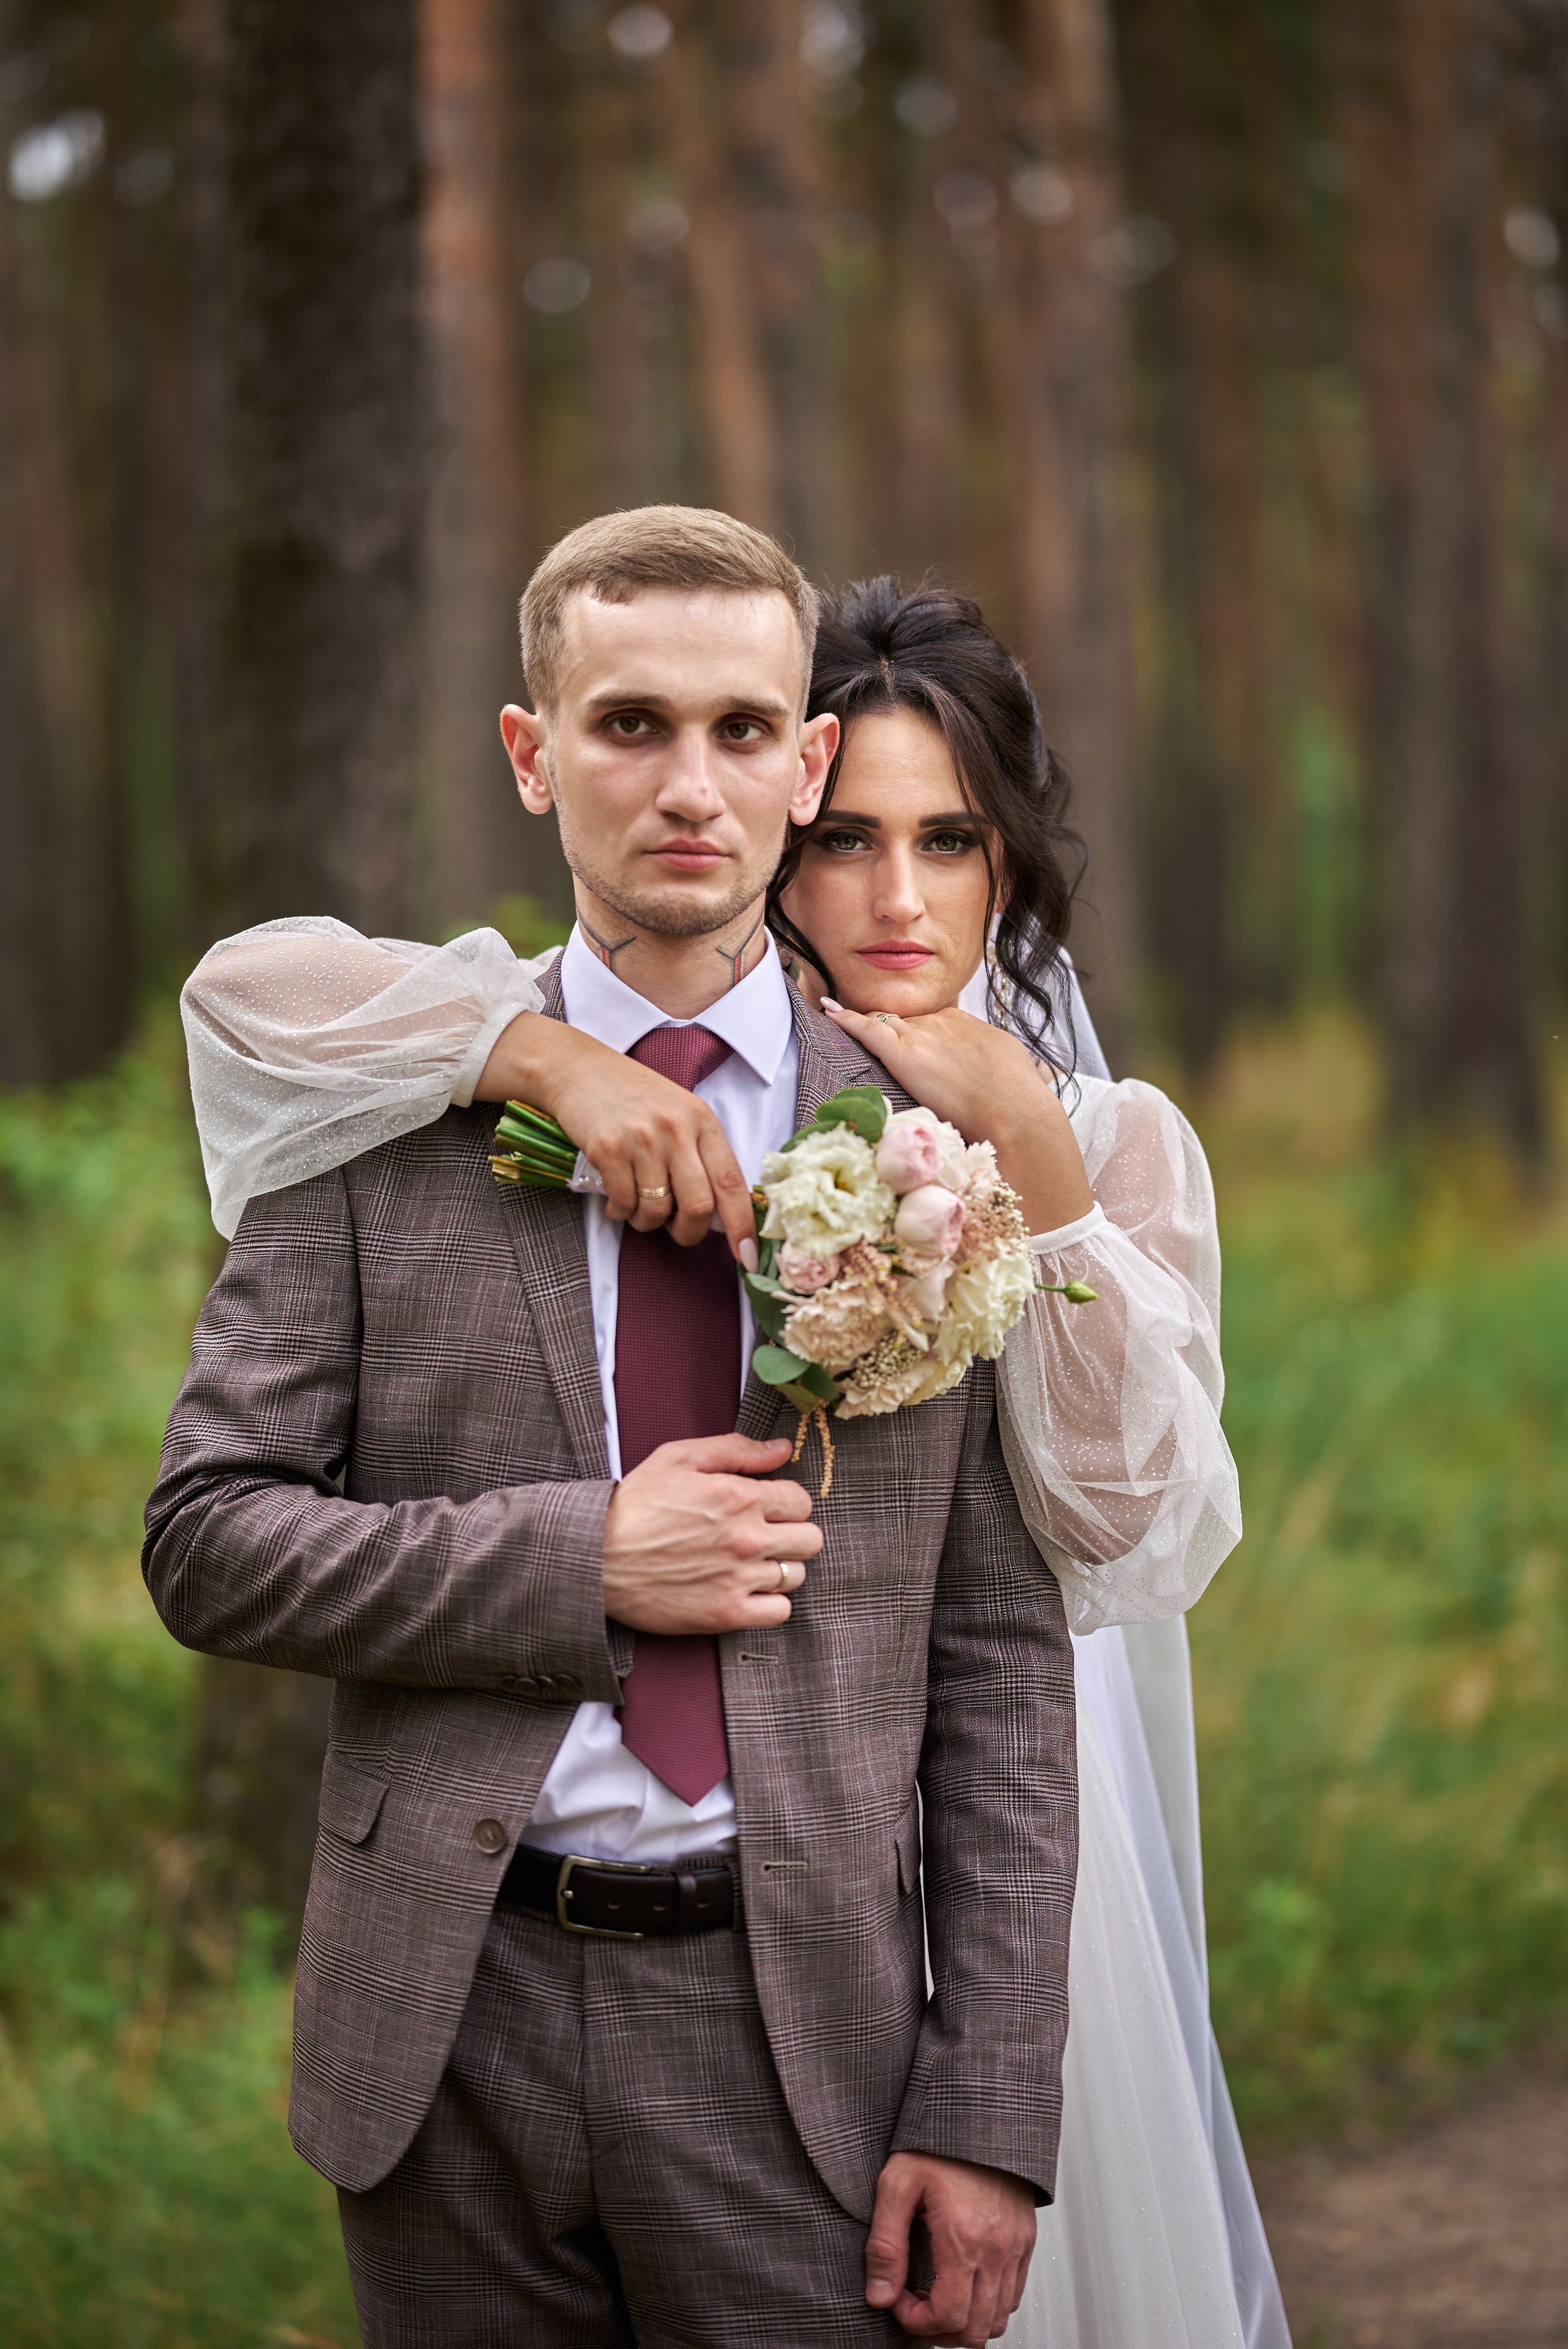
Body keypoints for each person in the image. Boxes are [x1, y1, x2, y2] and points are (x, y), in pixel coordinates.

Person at [178, 552, 1292, 2347]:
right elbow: (206, 1533)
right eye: (632, 726)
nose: (692, 784)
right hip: (448, 2027)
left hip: (805, 2036)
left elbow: (1012, 1655)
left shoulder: (947, 1161)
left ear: (797, 753)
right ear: (535, 758)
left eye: (741, 733)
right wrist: (579, 1553)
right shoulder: (410, 1098)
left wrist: (993, 2111)